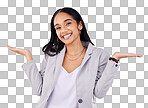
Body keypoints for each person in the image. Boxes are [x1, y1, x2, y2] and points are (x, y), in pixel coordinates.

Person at [6, 7, 143, 108]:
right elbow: (39, 90)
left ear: (80, 25)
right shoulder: (51, 54)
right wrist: (28, 57)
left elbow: (99, 93)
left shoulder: (99, 55)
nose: (63, 30)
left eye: (68, 23)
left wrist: (114, 60)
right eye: (58, 27)